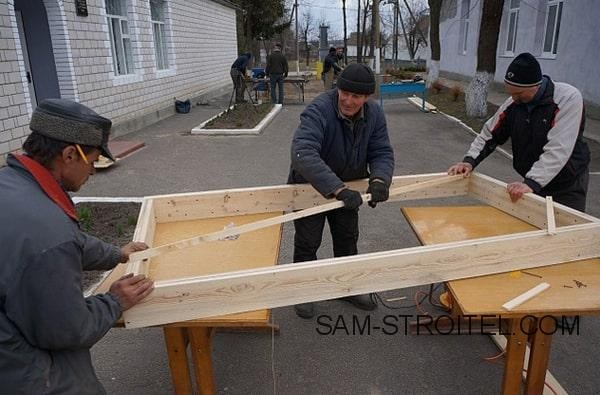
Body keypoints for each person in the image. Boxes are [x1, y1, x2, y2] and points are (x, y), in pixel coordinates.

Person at [0, 98, 155, 393]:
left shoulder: (13, 184)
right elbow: (67, 330)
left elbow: (64, 242)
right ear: (70, 154)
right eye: (93, 161)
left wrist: (117, 254)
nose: (94, 172)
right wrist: (114, 302)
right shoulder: (46, 230)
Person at [288, 63, 395, 319]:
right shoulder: (319, 109)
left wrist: (380, 180)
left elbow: (381, 150)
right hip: (312, 185)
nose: (347, 100)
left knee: (347, 238)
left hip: (350, 187)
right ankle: (304, 290)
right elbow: (302, 152)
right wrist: (336, 188)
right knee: (308, 241)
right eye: (343, 92)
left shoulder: (375, 114)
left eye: (355, 96)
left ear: (367, 97)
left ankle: (347, 287)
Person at [448, 52, 590, 212]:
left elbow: (558, 149)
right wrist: (469, 161)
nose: (513, 99)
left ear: (536, 86)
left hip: (566, 184)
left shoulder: (567, 99)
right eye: (511, 93)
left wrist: (531, 183)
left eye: (519, 94)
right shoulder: (514, 104)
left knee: (566, 231)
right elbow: (489, 134)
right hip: (534, 179)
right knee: (533, 228)